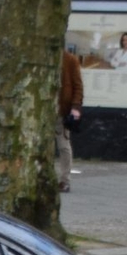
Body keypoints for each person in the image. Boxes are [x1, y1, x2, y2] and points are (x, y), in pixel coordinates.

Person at [57, 44, 85, 192]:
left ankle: (65, 179)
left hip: (62, 109)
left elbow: (78, 86)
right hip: (46, 109)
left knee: (63, 145)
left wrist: (75, 106)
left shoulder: (70, 60)